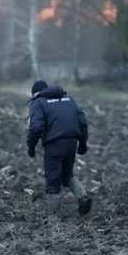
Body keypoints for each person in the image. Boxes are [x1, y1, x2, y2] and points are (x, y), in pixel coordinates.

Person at [26, 80, 91, 218]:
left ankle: (53, 220)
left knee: (52, 180)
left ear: (36, 93)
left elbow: (36, 127)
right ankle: (82, 196)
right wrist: (83, 143)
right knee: (67, 174)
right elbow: (82, 121)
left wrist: (31, 146)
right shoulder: (69, 99)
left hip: (54, 144)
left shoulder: (38, 102)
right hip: (71, 142)